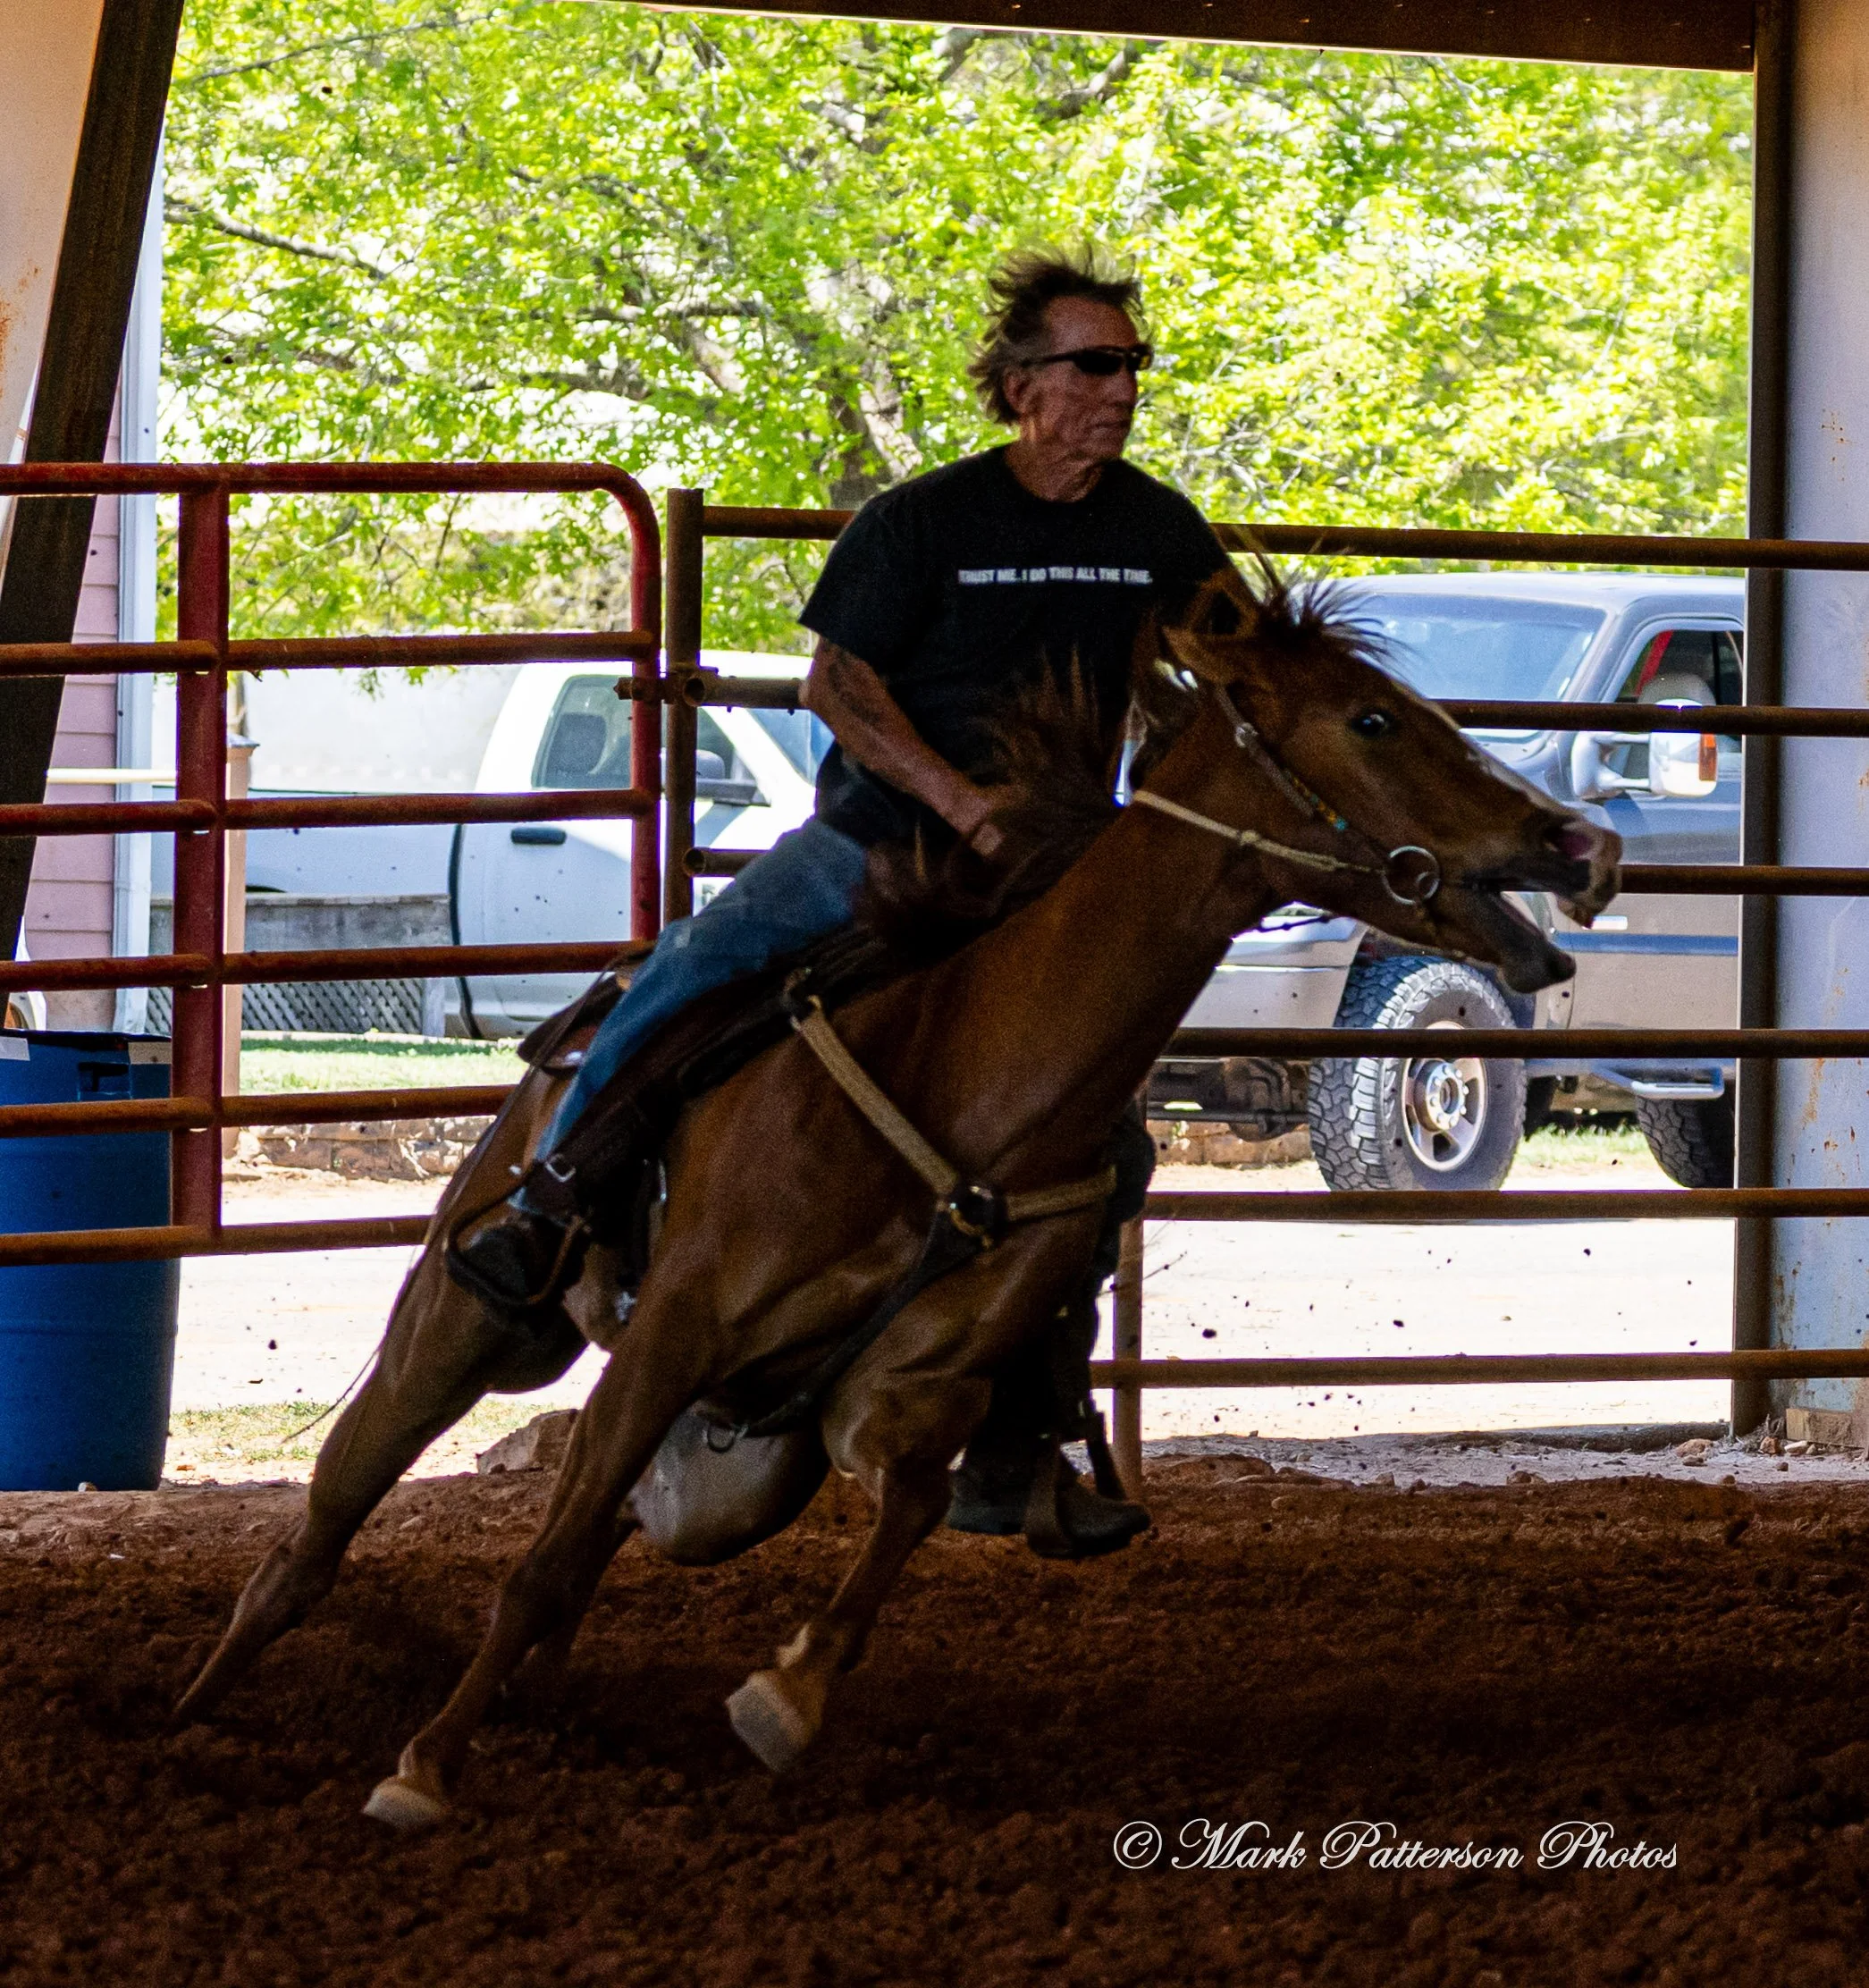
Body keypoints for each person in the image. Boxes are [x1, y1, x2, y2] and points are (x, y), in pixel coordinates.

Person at [453, 244, 1228, 1553]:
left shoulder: (1153, 529)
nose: (1120, 390)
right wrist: (955, 799)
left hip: (1040, 878)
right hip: (879, 843)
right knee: (696, 964)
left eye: (1130, 367)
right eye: (1095, 365)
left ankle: (1022, 1433)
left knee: (1098, 1152)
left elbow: (1229, 666)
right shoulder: (922, 523)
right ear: (1021, 386)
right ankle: (549, 1205)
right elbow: (840, 689)